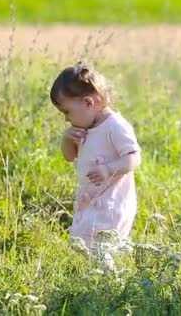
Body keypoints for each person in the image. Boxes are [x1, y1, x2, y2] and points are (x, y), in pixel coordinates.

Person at [50, 63, 141, 248]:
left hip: (111, 205)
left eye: (67, 112)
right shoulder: (84, 128)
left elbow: (134, 157)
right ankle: (97, 276)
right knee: (83, 246)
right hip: (90, 203)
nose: (66, 119)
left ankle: (112, 277)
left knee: (102, 249)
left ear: (88, 103)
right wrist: (66, 140)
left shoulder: (115, 126)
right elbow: (69, 157)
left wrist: (109, 169)